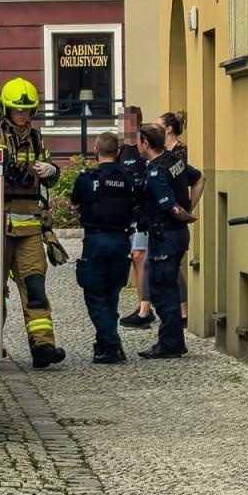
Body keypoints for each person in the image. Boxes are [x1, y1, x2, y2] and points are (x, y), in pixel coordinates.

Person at [0, 78, 66, 368]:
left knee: (35, 286)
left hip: (30, 227)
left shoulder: (36, 139)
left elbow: (51, 176)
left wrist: (51, 170)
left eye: (27, 110)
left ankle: (43, 347)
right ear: (6, 109)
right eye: (17, 110)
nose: (22, 115)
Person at [135, 121, 201, 359]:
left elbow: (172, 208)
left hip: (166, 235)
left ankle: (170, 343)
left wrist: (185, 214)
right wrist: (189, 208)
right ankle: (172, 341)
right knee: (166, 284)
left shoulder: (156, 172)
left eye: (138, 140)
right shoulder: (175, 161)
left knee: (163, 289)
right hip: (174, 235)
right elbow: (200, 178)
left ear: (145, 143)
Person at [70, 131, 136, 364]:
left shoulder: (87, 178)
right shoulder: (129, 178)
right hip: (121, 241)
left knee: (95, 296)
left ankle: (113, 344)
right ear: (117, 152)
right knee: (111, 296)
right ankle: (104, 347)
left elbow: (75, 202)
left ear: (95, 150)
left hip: (96, 241)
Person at [159, 110, 207, 324]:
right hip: (167, 212)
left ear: (168, 129)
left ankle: (182, 309)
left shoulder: (179, 152)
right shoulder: (164, 151)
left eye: (159, 125)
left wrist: (187, 209)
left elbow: (187, 178)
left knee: (171, 265)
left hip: (175, 213)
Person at [117, 106, 155, 330]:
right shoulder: (122, 150)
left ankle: (145, 309)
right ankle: (145, 306)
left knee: (140, 256)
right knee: (139, 258)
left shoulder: (143, 148)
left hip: (144, 212)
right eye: (123, 123)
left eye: (129, 123)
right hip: (128, 214)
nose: (126, 127)